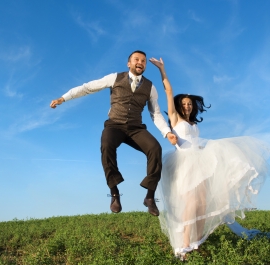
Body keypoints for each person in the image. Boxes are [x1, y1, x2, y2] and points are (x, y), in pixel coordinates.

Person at [149, 57, 270, 259]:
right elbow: (168, 91)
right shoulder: (175, 118)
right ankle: (185, 244)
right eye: (184, 104)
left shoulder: (194, 124)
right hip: (184, 164)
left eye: (190, 104)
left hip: (200, 163)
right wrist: (163, 70)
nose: (187, 106)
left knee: (202, 204)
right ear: (179, 106)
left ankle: (197, 242)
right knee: (189, 205)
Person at [50, 50, 177, 216]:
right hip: (114, 125)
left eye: (143, 61)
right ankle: (115, 192)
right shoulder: (114, 78)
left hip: (136, 128)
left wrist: (167, 132)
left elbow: (156, 114)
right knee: (106, 144)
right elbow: (87, 88)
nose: (140, 62)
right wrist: (63, 98)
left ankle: (150, 197)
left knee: (155, 149)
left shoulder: (150, 87)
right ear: (129, 63)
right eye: (136, 59)